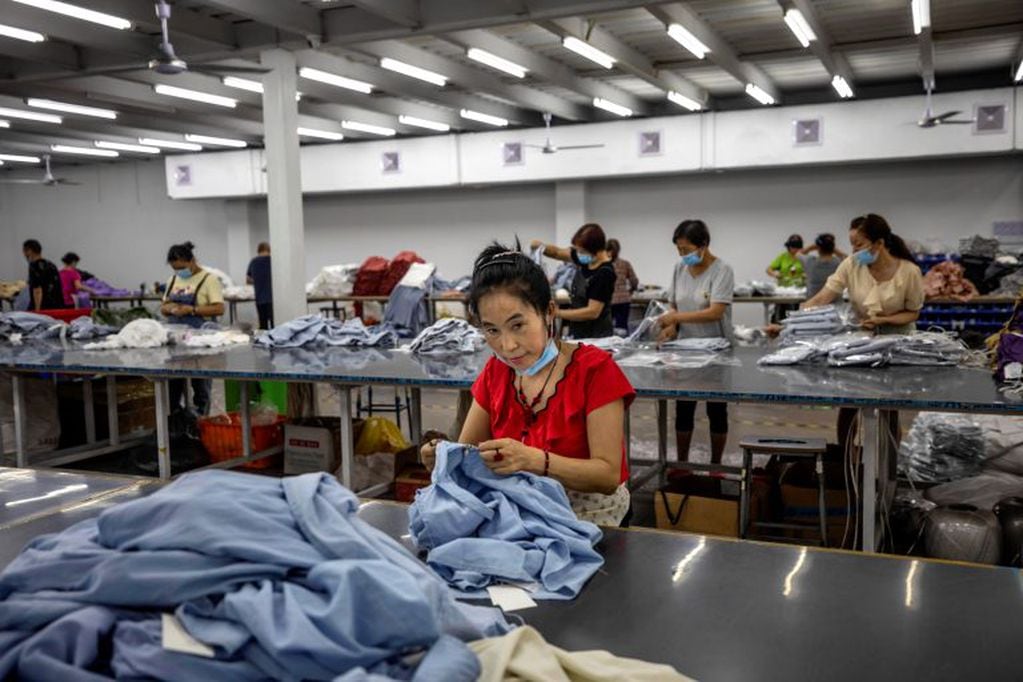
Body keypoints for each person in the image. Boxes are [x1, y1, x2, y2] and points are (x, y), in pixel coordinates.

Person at [420, 243, 636, 526]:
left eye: (518, 325)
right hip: (520, 513)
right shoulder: (496, 372)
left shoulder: (595, 371)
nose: (507, 346)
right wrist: (444, 458)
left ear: (548, 312)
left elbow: (607, 476)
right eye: (491, 330)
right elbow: (469, 452)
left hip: (590, 519)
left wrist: (534, 460)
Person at [803, 213, 924, 449]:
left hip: (897, 343)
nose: (855, 251)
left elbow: (913, 312)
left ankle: (888, 463)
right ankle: (845, 459)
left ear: (879, 243)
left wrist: (884, 319)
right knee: (849, 402)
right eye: (852, 245)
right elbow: (825, 295)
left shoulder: (909, 271)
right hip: (861, 341)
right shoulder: (852, 264)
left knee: (888, 407)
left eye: (859, 244)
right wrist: (798, 317)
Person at [655, 220, 735, 464]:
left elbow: (715, 312)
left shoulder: (722, 270)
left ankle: (717, 464)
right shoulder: (679, 269)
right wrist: (671, 327)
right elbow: (674, 305)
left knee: (716, 411)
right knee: (684, 409)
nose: (682, 255)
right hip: (685, 350)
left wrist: (675, 317)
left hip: (716, 351)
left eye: (686, 250)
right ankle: (681, 463)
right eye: (679, 250)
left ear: (703, 245)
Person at [160, 242, 225, 416]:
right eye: (175, 268)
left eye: (182, 267)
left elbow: (219, 308)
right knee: (173, 385)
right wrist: (170, 309)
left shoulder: (209, 279)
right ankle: (176, 422)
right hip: (176, 341)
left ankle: (201, 422)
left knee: (201, 385)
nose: (179, 271)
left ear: (192, 261)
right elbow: (163, 306)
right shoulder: (173, 280)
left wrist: (192, 310)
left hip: (201, 341)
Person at [530, 223, 616, 339]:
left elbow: (592, 312)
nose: (578, 254)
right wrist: (542, 247)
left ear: (595, 250)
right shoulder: (586, 259)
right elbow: (557, 252)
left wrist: (557, 313)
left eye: (581, 251)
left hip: (597, 336)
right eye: (577, 250)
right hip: (578, 331)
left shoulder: (605, 273)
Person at [606, 238, 639, 335]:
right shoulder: (625, 264)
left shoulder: (604, 265)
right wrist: (630, 291)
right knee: (622, 329)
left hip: (609, 301)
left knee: (608, 330)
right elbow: (634, 281)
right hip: (624, 300)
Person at [801, 233, 846, 300]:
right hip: (836, 305)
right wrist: (834, 250)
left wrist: (811, 248)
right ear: (832, 247)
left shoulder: (810, 261)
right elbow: (849, 259)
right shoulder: (839, 263)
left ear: (818, 248)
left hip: (813, 305)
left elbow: (798, 254)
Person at [22, 239, 63, 311]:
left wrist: (37, 310)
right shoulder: (51, 265)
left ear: (30, 251)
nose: (24, 254)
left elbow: (37, 290)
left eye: (24, 251)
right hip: (57, 306)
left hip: (44, 307)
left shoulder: (34, 266)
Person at [246, 242, 273, 330]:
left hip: (260, 299)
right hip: (274, 299)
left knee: (263, 326)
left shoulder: (253, 262)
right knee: (276, 324)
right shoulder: (273, 260)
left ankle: (264, 342)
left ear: (258, 251)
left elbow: (248, 280)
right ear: (269, 250)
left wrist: (258, 281)